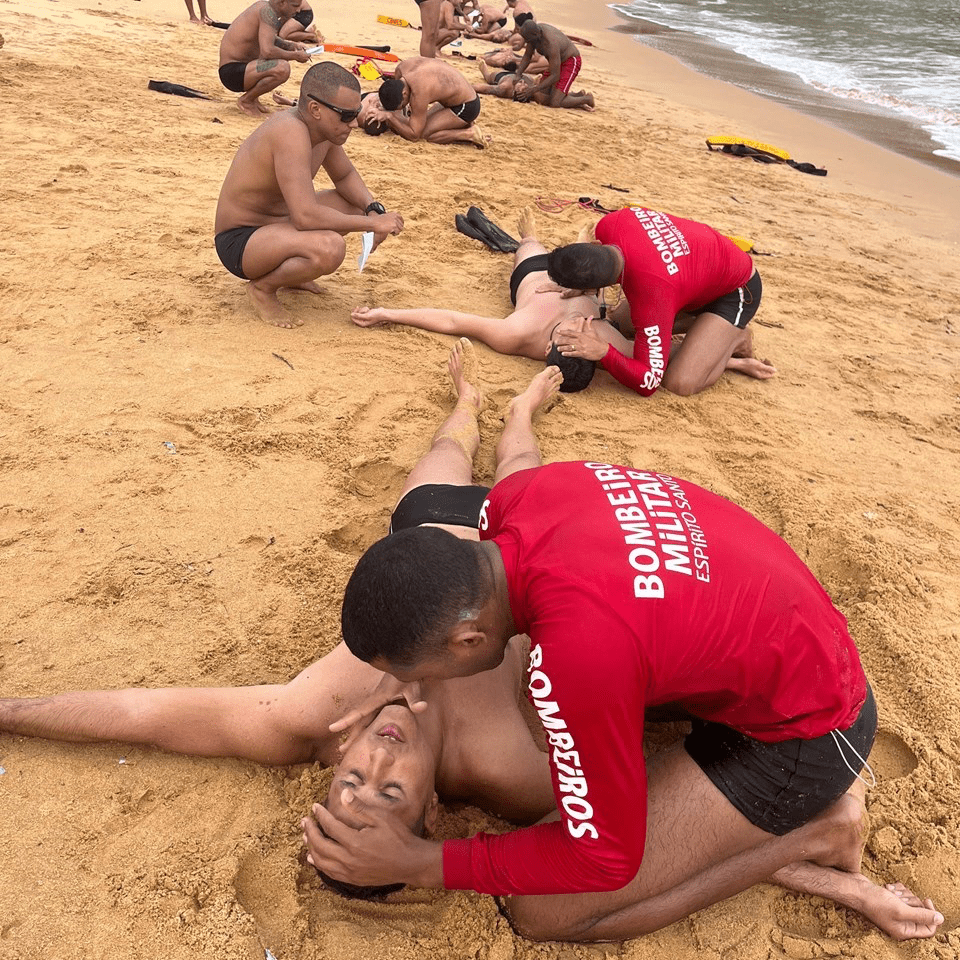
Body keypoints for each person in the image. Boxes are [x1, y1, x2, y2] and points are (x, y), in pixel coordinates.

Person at [0, 344, 564, 896]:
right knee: (519, 462)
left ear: (335, 766)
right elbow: (619, 814)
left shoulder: (314, 711)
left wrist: (11, 713)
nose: (379, 756)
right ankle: (521, 410)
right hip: (514, 544)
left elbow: (142, 715)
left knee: (451, 444)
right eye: (391, 792)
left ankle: (467, 402)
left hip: (426, 526)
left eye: (352, 778)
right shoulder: (502, 766)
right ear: (433, 810)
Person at [305, 461, 945, 943]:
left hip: (809, 732)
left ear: (468, 638)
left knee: (541, 911)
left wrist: (425, 863)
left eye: (422, 673)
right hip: (797, 643)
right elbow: (423, 512)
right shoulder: (523, 498)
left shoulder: (574, 663)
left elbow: (607, 858)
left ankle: (817, 828)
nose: (417, 691)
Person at [214, 62, 404, 329]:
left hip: (276, 224)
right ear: (316, 109)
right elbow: (305, 217)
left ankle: (292, 273)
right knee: (330, 248)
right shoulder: (290, 132)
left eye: (356, 113)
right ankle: (263, 288)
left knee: (354, 205)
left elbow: (345, 176)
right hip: (240, 241)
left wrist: (374, 208)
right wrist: (372, 224)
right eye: (345, 115)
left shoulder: (323, 130)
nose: (353, 123)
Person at [352, 208, 600, 391]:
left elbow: (453, 321)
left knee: (529, 245)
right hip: (587, 280)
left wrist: (386, 313)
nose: (580, 325)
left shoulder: (516, 334)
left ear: (548, 347)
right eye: (583, 334)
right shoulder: (601, 339)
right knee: (593, 269)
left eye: (570, 334)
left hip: (534, 272)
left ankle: (530, 237)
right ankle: (580, 250)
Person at [545, 207, 777, 396]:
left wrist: (604, 352)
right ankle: (709, 334)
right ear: (595, 245)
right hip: (697, 275)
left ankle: (735, 337)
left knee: (680, 382)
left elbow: (648, 381)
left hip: (737, 291)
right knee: (621, 322)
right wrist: (586, 282)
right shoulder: (611, 222)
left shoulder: (652, 299)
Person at [218, 0, 312, 116]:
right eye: (295, 6)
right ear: (282, 3)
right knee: (282, 68)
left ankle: (253, 99)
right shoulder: (268, 13)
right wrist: (295, 56)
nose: (298, 10)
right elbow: (267, 51)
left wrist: (292, 46)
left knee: (277, 61)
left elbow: (268, 37)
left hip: (240, 69)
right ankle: (246, 100)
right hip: (232, 73)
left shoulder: (264, 8)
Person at [374, 59, 488, 147]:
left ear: (404, 94)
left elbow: (414, 135)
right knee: (417, 122)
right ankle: (462, 123)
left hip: (467, 106)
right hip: (457, 95)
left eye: (403, 105)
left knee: (425, 135)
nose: (404, 107)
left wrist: (390, 116)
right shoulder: (401, 69)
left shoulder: (419, 93)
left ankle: (469, 133)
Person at [512, 20, 594, 110]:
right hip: (555, 63)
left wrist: (533, 89)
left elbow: (555, 75)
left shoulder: (550, 43)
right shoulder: (533, 36)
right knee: (542, 97)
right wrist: (518, 74)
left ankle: (586, 99)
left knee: (555, 102)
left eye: (529, 41)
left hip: (570, 61)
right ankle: (576, 95)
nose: (529, 44)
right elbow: (527, 55)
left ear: (537, 35)